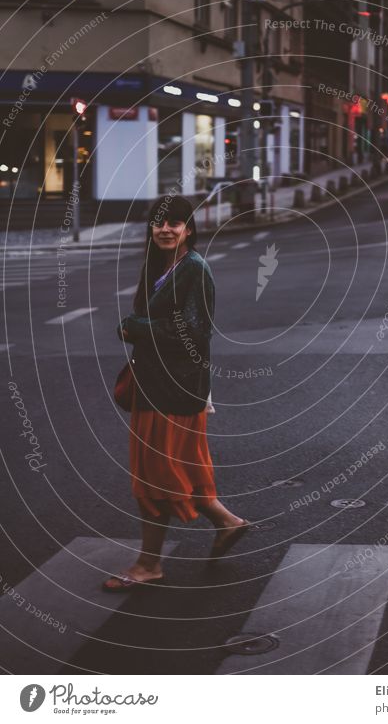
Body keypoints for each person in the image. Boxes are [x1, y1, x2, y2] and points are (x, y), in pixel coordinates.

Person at [103, 195, 249, 592]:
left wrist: (134, 327)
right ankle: (227, 522)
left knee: (155, 478)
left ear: (189, 228)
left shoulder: (194, 270)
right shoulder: (162, 267)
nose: (166, 229)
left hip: (173, 389)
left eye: (176, 222)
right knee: (182, 468)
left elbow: (195, 334)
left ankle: (149, 564)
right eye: (159, 222)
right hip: (159, 385)